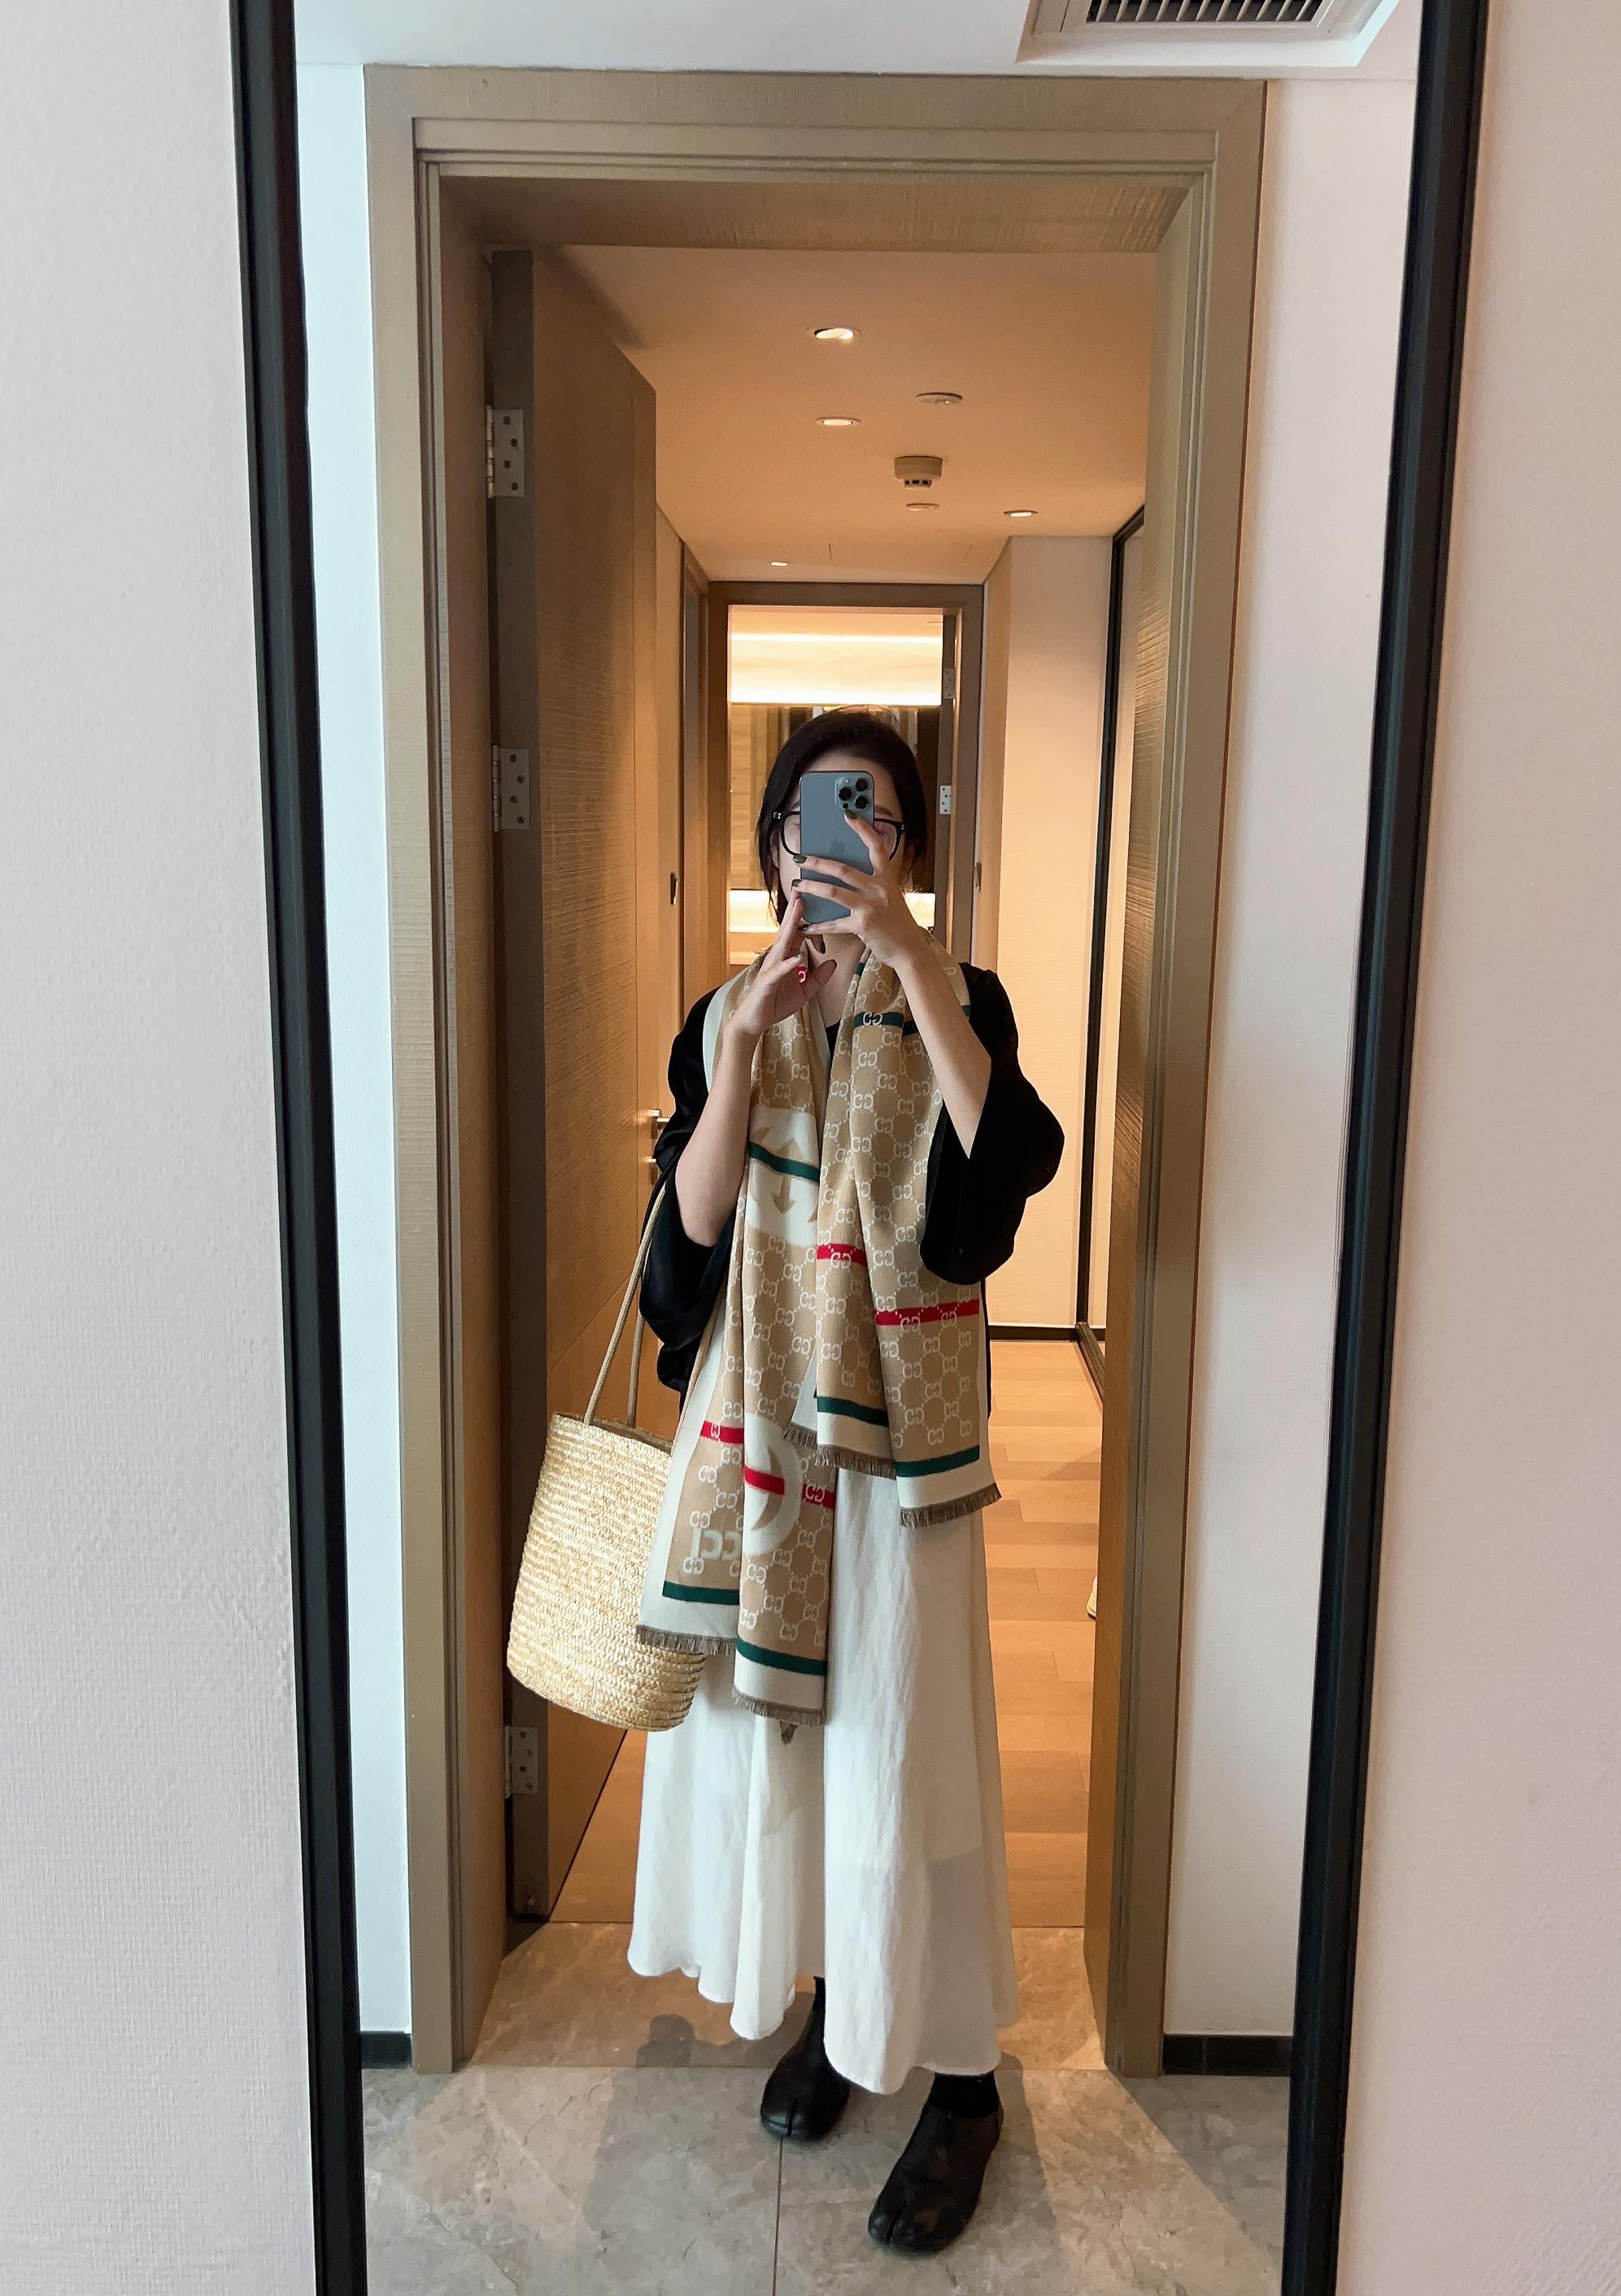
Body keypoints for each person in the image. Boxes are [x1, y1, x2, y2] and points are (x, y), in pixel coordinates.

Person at [628, 708, 1062, 2255]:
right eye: (814, 817)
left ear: (910, 846)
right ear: (772, 849)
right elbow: (682, 1256)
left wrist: (918, 968)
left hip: (892, 1461)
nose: (839, 843)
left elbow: (992, 1197)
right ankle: (837, 1999)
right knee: (794, 1749)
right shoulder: (720, 1015)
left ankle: (965, 2080)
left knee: (908, 1745)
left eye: (873, 816)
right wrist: (743, 1051)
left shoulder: (964, 998)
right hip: (759, 1445)